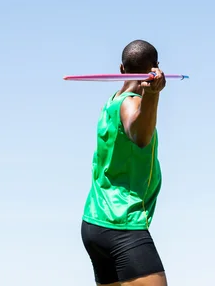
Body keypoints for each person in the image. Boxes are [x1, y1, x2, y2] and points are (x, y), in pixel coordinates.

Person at [81, 39, 168, 286]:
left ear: (121, 69)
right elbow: (140, 136)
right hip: (122, 223)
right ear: (156, 68)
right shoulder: (131, 103)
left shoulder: (110, 103)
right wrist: (152, 95)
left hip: (94, 224)